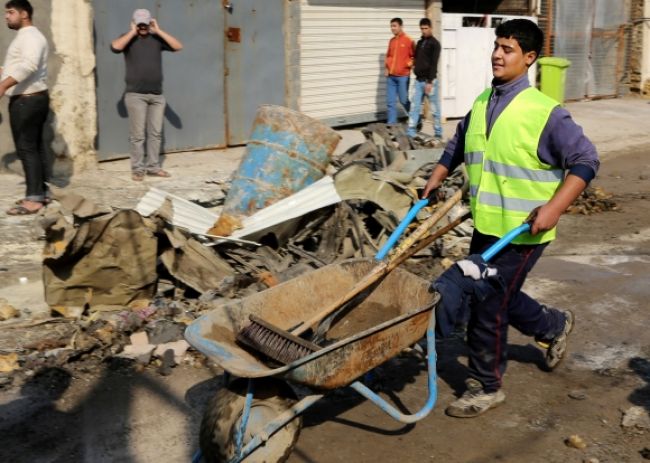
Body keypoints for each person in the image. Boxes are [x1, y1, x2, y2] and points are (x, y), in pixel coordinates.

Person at [422, 19, 599, 418]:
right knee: (496, 295)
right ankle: (552, 325)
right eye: (497, 46)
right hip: (488, 226)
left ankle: (487, 385)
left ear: (530, 58)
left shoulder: (544, 112)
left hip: (523, 232)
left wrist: (553, 209)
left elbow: (586, 160)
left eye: (509, 49)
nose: (498, 55)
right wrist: (435, 178)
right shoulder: (484, 101)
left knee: (487, 307)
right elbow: (458, 143)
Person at [111, 9, 182, 181]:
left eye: (145, 24)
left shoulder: (157, 39)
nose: (143, 27)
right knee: (138, 136)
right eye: (139, 24)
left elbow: (178, 46)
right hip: (136, 95)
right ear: (134, 23)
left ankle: (153, 167)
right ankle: (137, 169)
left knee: (155, 134)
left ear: (150, 22)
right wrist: (131, 32)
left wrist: (158, 31)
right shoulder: (127, 39)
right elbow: (115, 47)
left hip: (157, 96)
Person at [1, 0, 50, 215]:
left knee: (26, 148)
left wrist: (2, 86)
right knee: (34, 147)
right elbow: (21, 65)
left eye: (10, 12)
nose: (6, 16)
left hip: (27, 101)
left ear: (24, 14)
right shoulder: (26, 37)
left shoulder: (30, 36)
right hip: (30, 99)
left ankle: (34, 199)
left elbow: (28, 66)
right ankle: (40, 191)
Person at [407, 18, 442, 141]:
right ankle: (411, 131)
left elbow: (434, 64)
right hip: (418, 81)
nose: (424, 31)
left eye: (426, 28)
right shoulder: (420, 42)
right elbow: (416, 58)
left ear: (431, 28)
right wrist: (414, 65)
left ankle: (438, 132)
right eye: (422, 28)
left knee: (434, 109)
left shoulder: (435, 44)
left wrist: (430, 82)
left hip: (429, 82)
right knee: (414, 107)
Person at [384, 17, 413, 125]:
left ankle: (416, 119)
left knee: (403, 100)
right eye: (391, 26)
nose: (392, 28)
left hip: (403, 77)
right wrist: (387, 68)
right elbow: (388, 56)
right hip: (391, 77)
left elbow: (415, 56)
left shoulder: (409, 40)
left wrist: (407, 65)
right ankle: (391, 124)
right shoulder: (391, 41)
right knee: (390, 102)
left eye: (394, 26)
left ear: (401, 26)